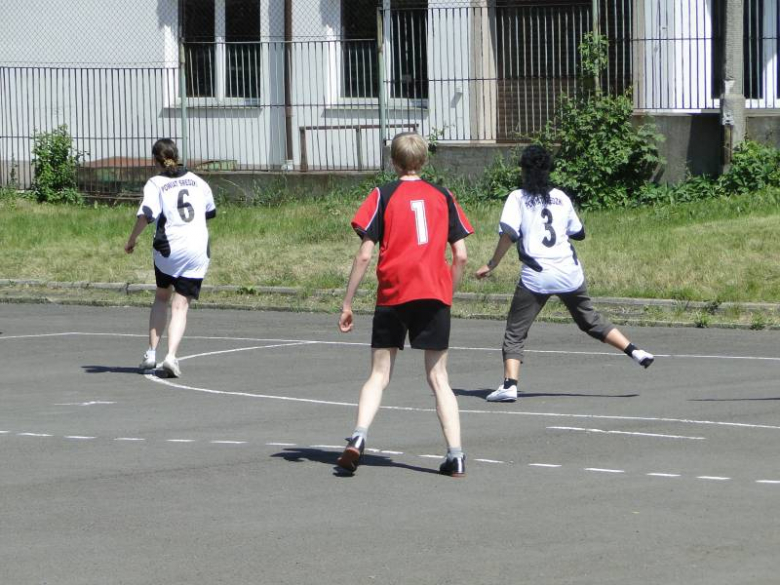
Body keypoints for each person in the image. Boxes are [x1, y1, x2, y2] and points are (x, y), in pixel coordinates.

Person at [336, 132, 473, 477]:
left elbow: (366, 253)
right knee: (439, 378)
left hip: (394, 293)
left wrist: (348, 301)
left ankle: (359, 435)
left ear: (393, 162)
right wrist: (448, 293)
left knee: (378, 375)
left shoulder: (383, 194)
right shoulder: (443, 195)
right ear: (424, 161)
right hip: (433, 294)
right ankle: (455, 453)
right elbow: (461, 254)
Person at [475, 144, 654, 403]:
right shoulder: (561, 196)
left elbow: (509, 234)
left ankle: (509, 385)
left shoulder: (517, 197)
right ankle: (635, 351)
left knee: (516, 331)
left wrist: (492, 264)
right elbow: (579, 233)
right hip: (569, 271)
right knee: (589, 320)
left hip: (537, 274)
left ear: (523, 170)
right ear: (549, 170)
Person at [124, 138, 217, 378]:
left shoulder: (156, 183)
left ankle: (151, 353)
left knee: (161, 296)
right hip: (197, 248)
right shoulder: (198, 181)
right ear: (177, 155)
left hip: (168, 248)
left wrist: (132, 239)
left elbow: (146, 215)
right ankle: (171, 357)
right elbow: (209, 212)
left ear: (155, 161)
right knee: (181, 305)